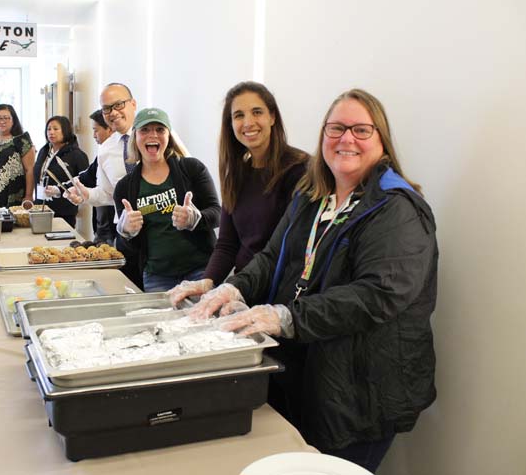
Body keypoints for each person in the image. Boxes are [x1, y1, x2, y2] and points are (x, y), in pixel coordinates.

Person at [184, 89, 438, 473]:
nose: (346, 139)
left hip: (360, 391)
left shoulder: (396, 208)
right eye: (336, 129)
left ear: (382, 140)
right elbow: (271, 257)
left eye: (360, 130)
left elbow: (377, 295)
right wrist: (233, 287)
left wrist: (286, 317)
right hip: (308, 374)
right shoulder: (312, 194)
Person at [168, 81, 309, 303]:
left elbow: (291, 249)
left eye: (257, 112)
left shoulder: (299, 169)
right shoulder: (237, 174)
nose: (248, 122)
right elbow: (227, 244)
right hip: (244, 290)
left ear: (272, 117)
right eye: (239, 115)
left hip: (281, 295)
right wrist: (208, 281)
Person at [113, 108, 220, 292]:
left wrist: (195, 219)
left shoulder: (192, 169)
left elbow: (218, 213)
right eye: (145, 130)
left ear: (168, 136)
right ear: (135, 137)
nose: (152, 135)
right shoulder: (125, 187)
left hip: (200, 271)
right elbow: (127, 247)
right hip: (157, 277)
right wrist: (125, 232)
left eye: (159, 129)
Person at [65, 83, 142, 287]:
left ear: (133, 104)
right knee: (131, 293)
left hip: (160, 232)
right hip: (126, 235)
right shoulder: (106, 149)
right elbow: (108, 194)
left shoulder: (156, 135)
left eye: (118, 105)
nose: (113, 112)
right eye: (106, 108)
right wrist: (86, 195)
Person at [33, 116, 89, 228]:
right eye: (48, 129)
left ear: (66, 130)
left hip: (63, 212)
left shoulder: (77, 155)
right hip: (40, 208)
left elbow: (84, 181)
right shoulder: (43, 152)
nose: (51, 132)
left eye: (55, 129)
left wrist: (58, 190)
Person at [77, 109, 116, 244]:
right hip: (102, 227)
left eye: (96, 130)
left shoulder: (124, 155)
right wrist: (60, 189)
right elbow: (86, 178)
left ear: (110, 129)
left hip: (115, 229)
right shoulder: (102, 154)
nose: (93, 135)